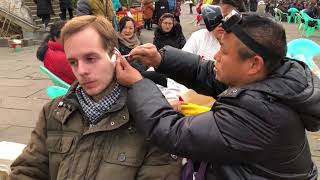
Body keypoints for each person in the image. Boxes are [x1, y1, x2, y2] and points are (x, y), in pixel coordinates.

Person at [115, 13, 319, 179]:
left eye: (223, 50)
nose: (216, 56)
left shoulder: (261, 115)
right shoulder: (273, 76)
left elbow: (172, 132)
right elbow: (205, 72)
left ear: (254, 64)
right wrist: (161, 59)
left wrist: (139, 84)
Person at [8, 15, 182, 180]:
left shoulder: (151, 119)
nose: (81, 71)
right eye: (73, 62)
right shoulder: (54, 112)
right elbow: (27, 170)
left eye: (90, 58)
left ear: (115, 56)